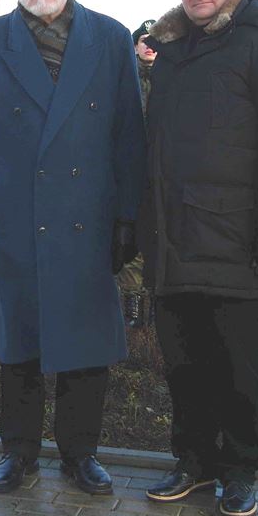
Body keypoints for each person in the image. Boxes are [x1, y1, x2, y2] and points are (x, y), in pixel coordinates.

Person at [0, 0, 145, 496]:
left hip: (89, 221)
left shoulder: (109, 39)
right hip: (15, 222)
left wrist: (128, 217)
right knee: (20, 346)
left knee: (85, 348)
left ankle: (81, 454)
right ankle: (19, 453)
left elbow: (129, 136)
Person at [139, 0, 258, 516]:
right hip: (174, 239)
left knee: (237, 367)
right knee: (183, 365)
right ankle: (193, 462)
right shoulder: (174, 51)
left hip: (239, 242)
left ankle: (239, 470)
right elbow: (155, 145)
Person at [119, 20, 158, 328]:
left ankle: (157, 303)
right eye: (144, 39)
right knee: (129, 232)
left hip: (163, 169)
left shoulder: (173, 77)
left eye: (155, 40)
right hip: (129, 167)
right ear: (134, 45)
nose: (149, 45)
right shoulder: (121, 76)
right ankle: (132, 304)